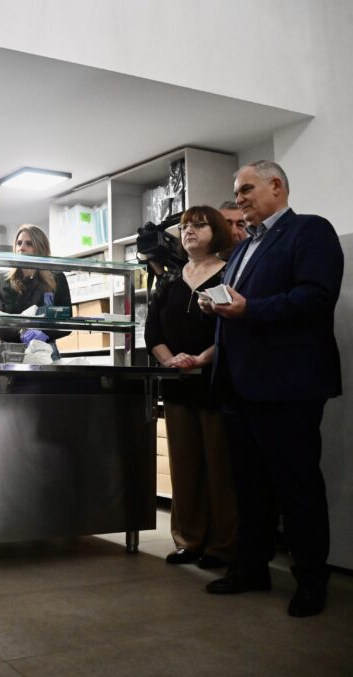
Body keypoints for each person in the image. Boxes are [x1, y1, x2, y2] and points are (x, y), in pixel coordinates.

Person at [200, 160, 344, 617]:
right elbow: (239, 305)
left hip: (288, 384)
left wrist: (250, 310)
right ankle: (251, 567)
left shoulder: (309, 230)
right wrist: (216, 306)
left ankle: (312, 580)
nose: (238, 199)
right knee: (250, 485)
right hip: (240, 384)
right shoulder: (244, 247)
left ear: (276, 185)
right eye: (237, 192)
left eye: (246, 189)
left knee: (297, 485)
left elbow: (317, 296)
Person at [145, 206, 236, 571]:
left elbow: (231, 330)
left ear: (217, 232)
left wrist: (200, 359)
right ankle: (188, 540)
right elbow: (153, 331)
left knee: (220, 467)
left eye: (199, 225)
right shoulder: (169, 279)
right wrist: (171, 361)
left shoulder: (229, 272)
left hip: (214, 382)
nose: (189, 231)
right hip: (177, 384)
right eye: (184, 227)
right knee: (184, 467)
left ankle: (222, 545)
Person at [0, 224, 72, 350]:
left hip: (44, 349)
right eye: (19, 243)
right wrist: (21, 332)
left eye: (29, 244)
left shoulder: (57, 278)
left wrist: (44, 334)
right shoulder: (2, 279)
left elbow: (66, 321)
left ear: (41, 249)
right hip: (11, 351)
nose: (21, 248)